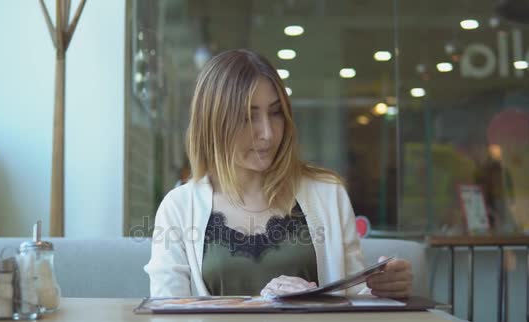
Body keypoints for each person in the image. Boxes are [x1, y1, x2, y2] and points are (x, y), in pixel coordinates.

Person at [144, 49, 412, 298]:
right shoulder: (178, 207)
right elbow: (168, 314)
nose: (268, 133)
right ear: (213, 124)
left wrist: (386, 290)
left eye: (275, 113)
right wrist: (266, 304)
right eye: (247, 118)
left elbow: (355, 298)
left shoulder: (328, 193)